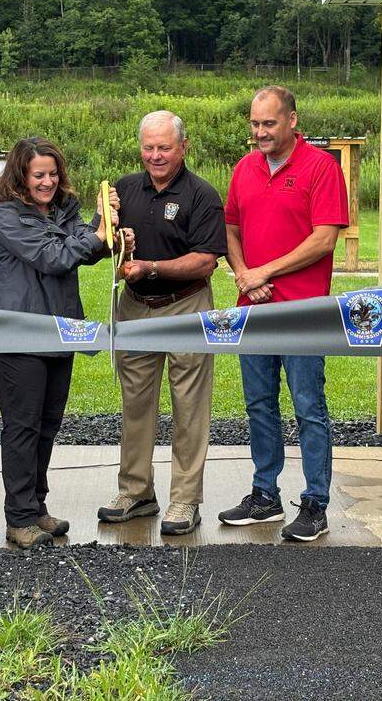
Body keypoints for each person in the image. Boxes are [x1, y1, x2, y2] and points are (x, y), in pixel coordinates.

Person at [0, 137, 131, 549]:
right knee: (22, 426)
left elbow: (84, 246)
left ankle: (37, 507)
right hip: (18, 335)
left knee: (47, 425)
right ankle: (18, 518)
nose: (48, 182)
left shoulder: (64, 207)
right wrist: (96, 235)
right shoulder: (8, 216)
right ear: (20, 176)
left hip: (59, 331)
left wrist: (109, 231)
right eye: (38, 175)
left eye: (53, 173)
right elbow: (53, 257)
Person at [218, 86, 349, 542]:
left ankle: (315, 503)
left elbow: (324, 239)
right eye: (254, 124)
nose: (260, 133)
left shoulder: (321, 167)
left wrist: (264, 271)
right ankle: (265, 495)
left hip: (302, 311)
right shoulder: (244, 168)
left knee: (308, 407)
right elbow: (230, 227)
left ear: (291, 121)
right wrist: (242, 274)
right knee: (258, 404)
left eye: (268, 124)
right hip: (252, 309)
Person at [97, 111, 228, 536]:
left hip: (186, 306)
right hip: (134, 307)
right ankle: (136, 491)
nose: (155, 155)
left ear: (183, 147)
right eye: (149, 147)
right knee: (135, 404)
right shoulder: (122, 189)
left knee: (189, 407)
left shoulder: (202, 195)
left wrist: (150, 266)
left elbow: (205, 260)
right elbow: (105, 247)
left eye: (164, 147)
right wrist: (115, 241)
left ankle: (185, 499)